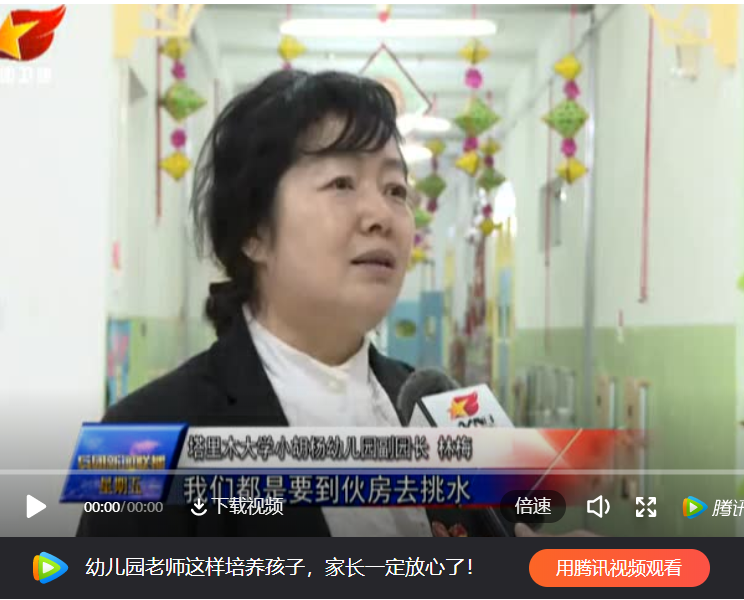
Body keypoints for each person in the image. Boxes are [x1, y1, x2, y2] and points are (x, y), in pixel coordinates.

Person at [76, 69, 581, 537]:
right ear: (254, 230)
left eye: (395, 189)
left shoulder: (443, 412)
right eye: (342, 183)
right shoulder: (138, 438)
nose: (381, 215)